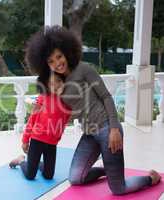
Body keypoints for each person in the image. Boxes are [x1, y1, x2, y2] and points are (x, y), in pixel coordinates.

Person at [24, 25, 161, 195]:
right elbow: (59, 109)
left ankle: (150, 178)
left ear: (67, 52)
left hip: (107, 129)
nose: (57, 63)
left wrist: (114, 128)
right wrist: (39, 108)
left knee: (119, 189)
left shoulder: (84, 69)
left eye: (59, 57)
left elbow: (106, 97)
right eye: (51, 61)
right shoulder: (57, 83)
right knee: (75, 178)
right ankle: (107, 170)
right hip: (89, 133)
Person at [9, 73, 71, 180]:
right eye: (52, 83)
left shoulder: (66, 102)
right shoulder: (42, 98)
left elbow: (64, 121)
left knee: (48, 176)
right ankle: (21, 160)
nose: (56, 85)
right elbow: (32, 120)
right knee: (30, 175)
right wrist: (25, 140)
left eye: (59, 82)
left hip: (51, 143)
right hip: (37, 139)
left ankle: (35, 163)